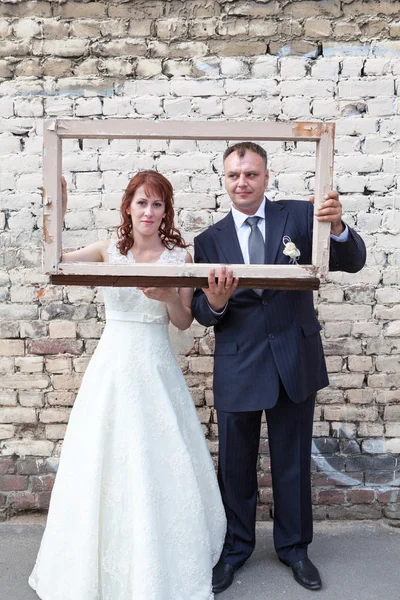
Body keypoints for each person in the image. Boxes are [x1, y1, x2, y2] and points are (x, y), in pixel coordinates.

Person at [29, 170, 226, 600]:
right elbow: (55, 260)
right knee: (103, 458)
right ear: (128, 207)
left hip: (155, 366)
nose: (149, 212)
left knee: (157, 460)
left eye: (157, 204)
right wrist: (56, 210)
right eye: (142, 203)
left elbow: (184, 321)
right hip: (113, 366)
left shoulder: (180, 257)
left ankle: (157, 561)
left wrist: (166, 297)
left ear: (165, 211)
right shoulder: (108, 250)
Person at [191, 142, 366, 595]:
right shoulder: (208, 240)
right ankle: (235, 549)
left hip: (293, 359)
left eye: (250, 174)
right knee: (235, 467)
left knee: (291, 462)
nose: (242, 182)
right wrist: (214, 303)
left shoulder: (300, 217)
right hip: (239, 365)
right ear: (224, 181)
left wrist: (339, 225)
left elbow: (352, 260)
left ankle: (294, 549)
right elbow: (202, 311)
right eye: (233, 175)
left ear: (266, 177)